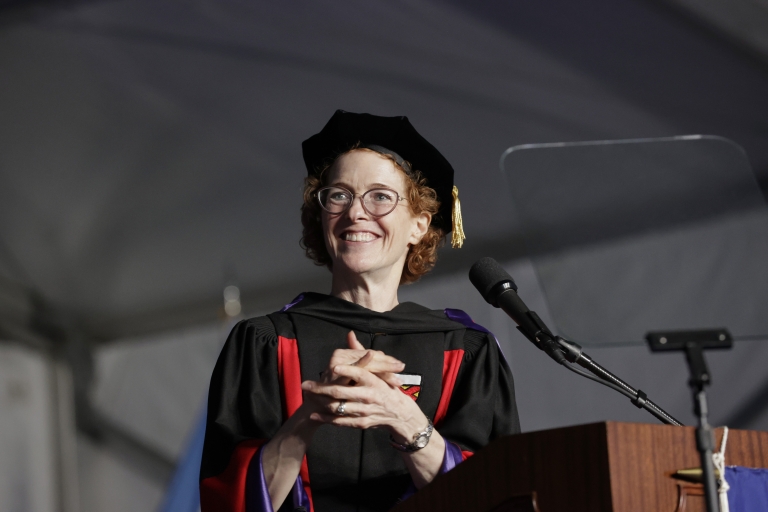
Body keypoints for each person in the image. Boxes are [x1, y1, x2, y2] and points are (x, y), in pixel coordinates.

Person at [199, 111, 520, 512]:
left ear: (419, 225)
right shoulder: (265, 343)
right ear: (321, 215)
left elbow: (497, 496)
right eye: (339, 195)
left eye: (381, 196)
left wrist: (407, 420)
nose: (355, 213)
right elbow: (225, 498)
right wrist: (307, 419)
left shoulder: (465, 350)